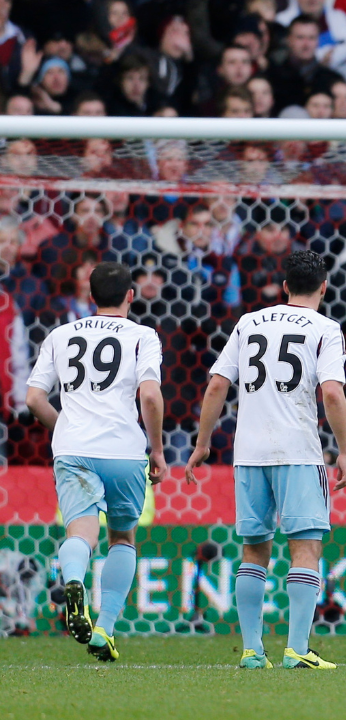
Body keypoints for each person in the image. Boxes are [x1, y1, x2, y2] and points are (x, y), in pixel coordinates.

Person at [185, 250, 346, 670]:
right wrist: (345, 450)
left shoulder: (248, 322)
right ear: (324, 287)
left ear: (284, 287)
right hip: (298, 451)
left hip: (249, 454)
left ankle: (251, 650)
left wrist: (203, 442)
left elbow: (216, 385)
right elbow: (332, 393)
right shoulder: (326, 329)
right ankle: (297, 649)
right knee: (306, 548)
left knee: (254, 550)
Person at [25, 262, 167, 662]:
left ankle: (73, 582)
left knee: (80, 535)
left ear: (91, 297)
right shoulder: (143, 335)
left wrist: (64, 428)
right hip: (123, 451)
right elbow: (151, 397)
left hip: (74, 449)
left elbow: (34, 398)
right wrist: (156, 449)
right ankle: (105, 628)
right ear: (130, 296)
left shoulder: (61, 335)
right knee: (122, 538)